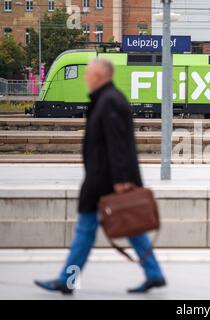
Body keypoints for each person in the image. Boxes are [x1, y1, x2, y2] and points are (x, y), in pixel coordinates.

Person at [34, 59, 166, 294]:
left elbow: (118, 145)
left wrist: (122, 180)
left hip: (105, 180)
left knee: (86, 230)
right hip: (104, 177)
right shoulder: (107, 100)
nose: (85, 77)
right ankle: (154, 273)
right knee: (132, 227)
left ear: (99, 76)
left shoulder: (109, 102)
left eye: (88, 73)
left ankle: (67, 279)